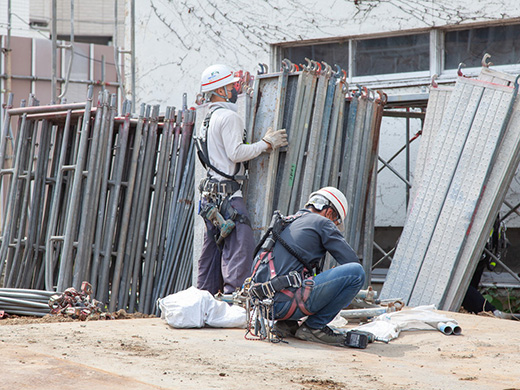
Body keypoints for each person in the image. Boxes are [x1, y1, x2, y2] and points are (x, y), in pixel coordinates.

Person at [196, 64, 288, 295]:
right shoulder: (229, 117)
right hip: (228, 198)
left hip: (210, 198)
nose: (235, 89)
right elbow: (235, 153)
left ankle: (204, 297)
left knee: (212, 250)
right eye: (230, 86)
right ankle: (234, 298)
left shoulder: (207, 119)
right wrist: (266, 144)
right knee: (241, 248)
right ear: (219, 90)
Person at [249, 187, 365, 347]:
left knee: (298, 276)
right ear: (330, 213)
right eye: (336, 222)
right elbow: (351, 262)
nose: (334, 226)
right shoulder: (322, 222)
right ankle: (314, 328)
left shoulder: (287, 221)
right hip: (283, 304)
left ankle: (286, 325)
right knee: (357, 273)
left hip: (262, 306)